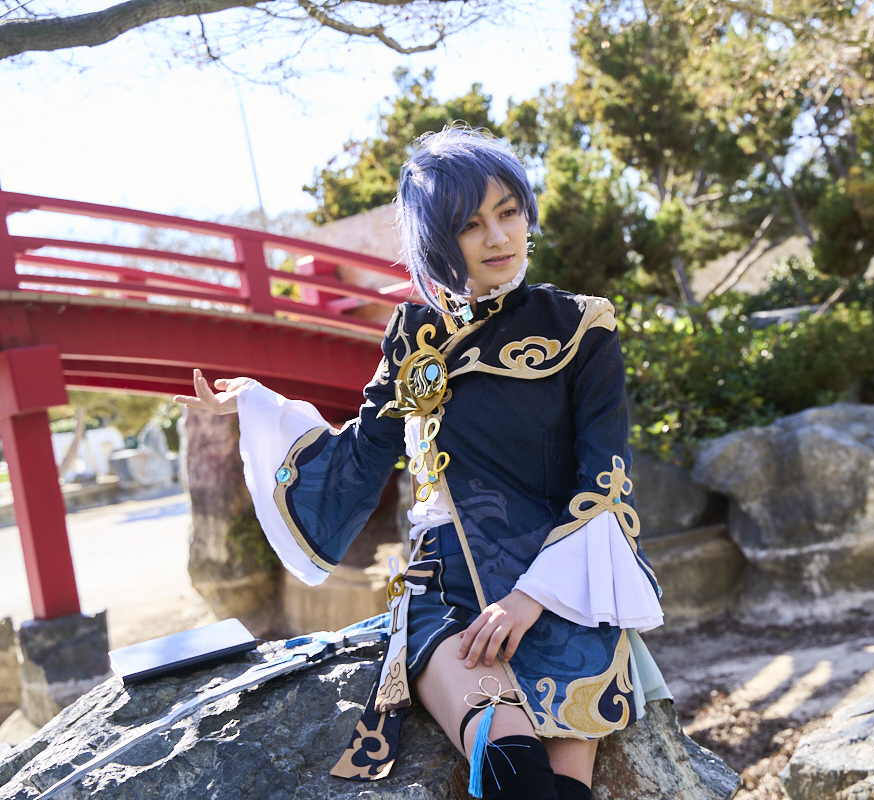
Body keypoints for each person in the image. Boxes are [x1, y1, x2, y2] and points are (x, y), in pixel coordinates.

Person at [175, 127, 670, 800]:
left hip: (561, 591)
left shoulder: (581, 326)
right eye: (470, 224)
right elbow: (358, 458)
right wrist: (261, 407)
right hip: (447, 595)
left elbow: (605, 485)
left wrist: (529, 600)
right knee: (516, 775)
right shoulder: (414, 337)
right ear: (438, 240)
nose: (498, 237)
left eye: (508, 212)